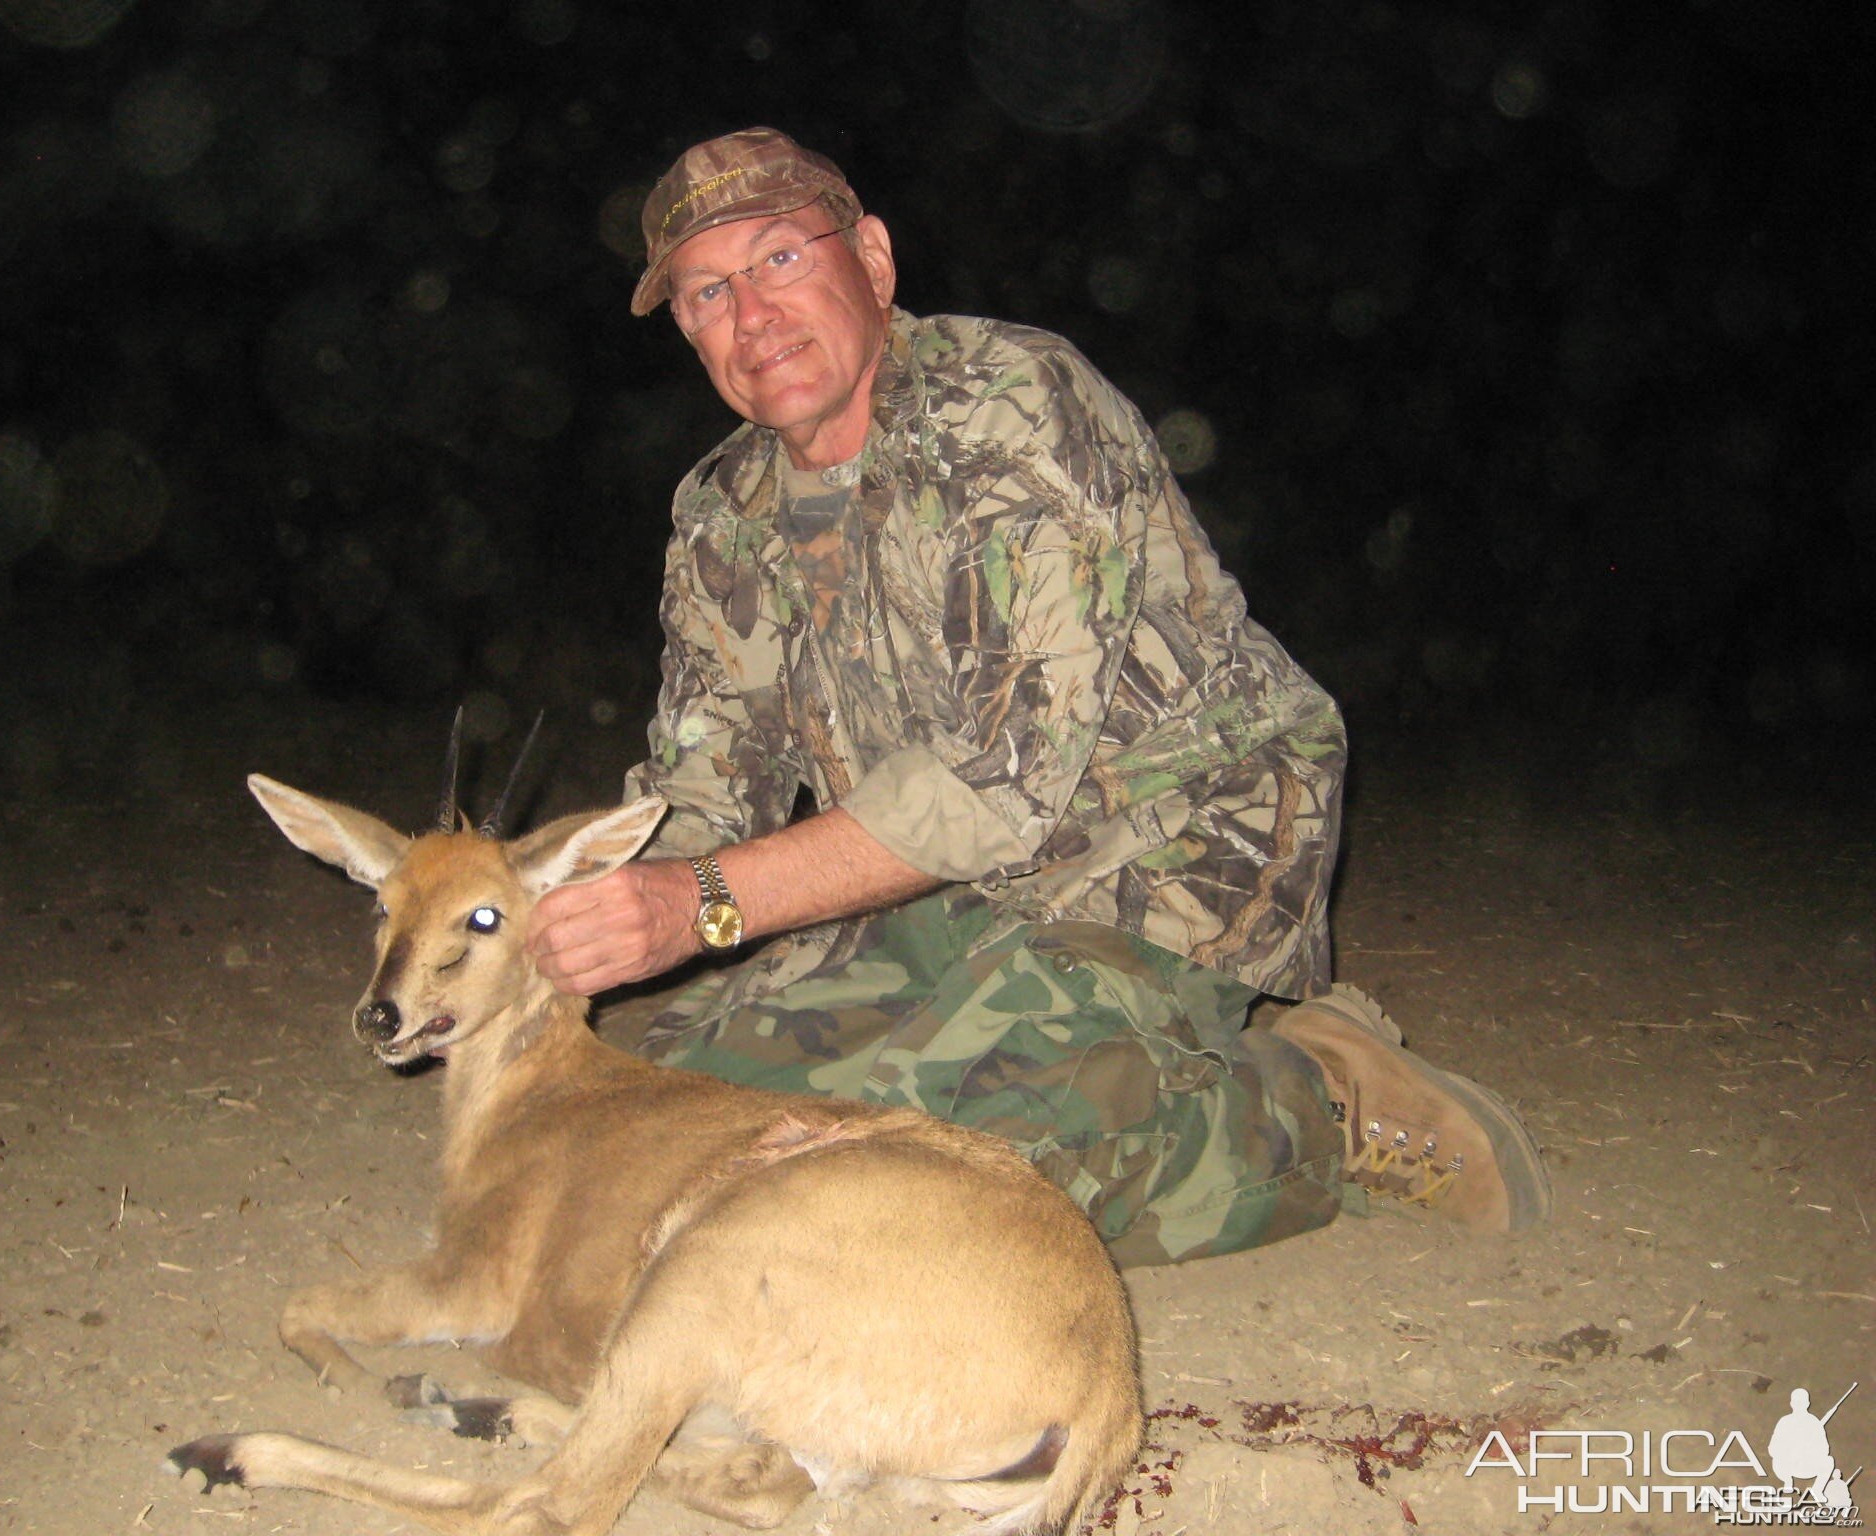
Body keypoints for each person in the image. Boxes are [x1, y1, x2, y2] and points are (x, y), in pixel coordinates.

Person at [527, 127, 1550, 1266]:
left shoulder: (1009, 401)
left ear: (869, 259)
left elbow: (997, 784)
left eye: (777, 259)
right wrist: (548, 895)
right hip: (932, 874)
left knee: (936, 1188)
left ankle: (1320, 1100)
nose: (750, 315)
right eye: (707, 292)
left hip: (1167, 847)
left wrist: (701, 901)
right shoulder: (722, 508)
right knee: (672, 1123)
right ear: (685, 330)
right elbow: (707, 787)